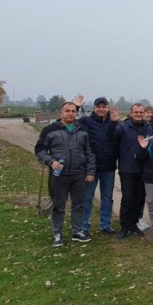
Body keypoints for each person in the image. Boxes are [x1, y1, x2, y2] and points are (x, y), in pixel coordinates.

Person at [35, 101, 96, 247]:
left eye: (73, 111)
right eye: (67, 111)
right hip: (58, 175)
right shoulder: (49, 130)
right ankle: (57, 233)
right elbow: (40, 150)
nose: (70, 114)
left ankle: (77, 231)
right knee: (58, 205)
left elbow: (90, 153)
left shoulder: (83, 131)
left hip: (79, 174)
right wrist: (50, 161)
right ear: (60, 113)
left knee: (78, 204)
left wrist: (90, 171)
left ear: (76, 113)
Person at [73, 95, 118, 235]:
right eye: (99, 107)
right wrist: (76, 107)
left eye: (104, 107)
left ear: (108, 108)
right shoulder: (86, 121)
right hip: (91, 167)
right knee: (87, 197)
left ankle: (105, 224)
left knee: (107, 198)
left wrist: (114, 122)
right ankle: (84, 226)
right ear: (94, 108)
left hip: (109, 166)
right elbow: (70, 121)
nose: (101, 109)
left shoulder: (113, 122)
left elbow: (114, 138)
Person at [107, 103, 152, 239]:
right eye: (136, 112)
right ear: (131, 113)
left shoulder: (148, 128)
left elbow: (149, 145)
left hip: (143, 168)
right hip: (127, 168)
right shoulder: (123, 127)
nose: (138, 114)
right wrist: (112, 123)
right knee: (127, 198)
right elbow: (111, 137)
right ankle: (125, 225)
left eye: (141, 112)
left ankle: (134, 224)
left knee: (139, 198)